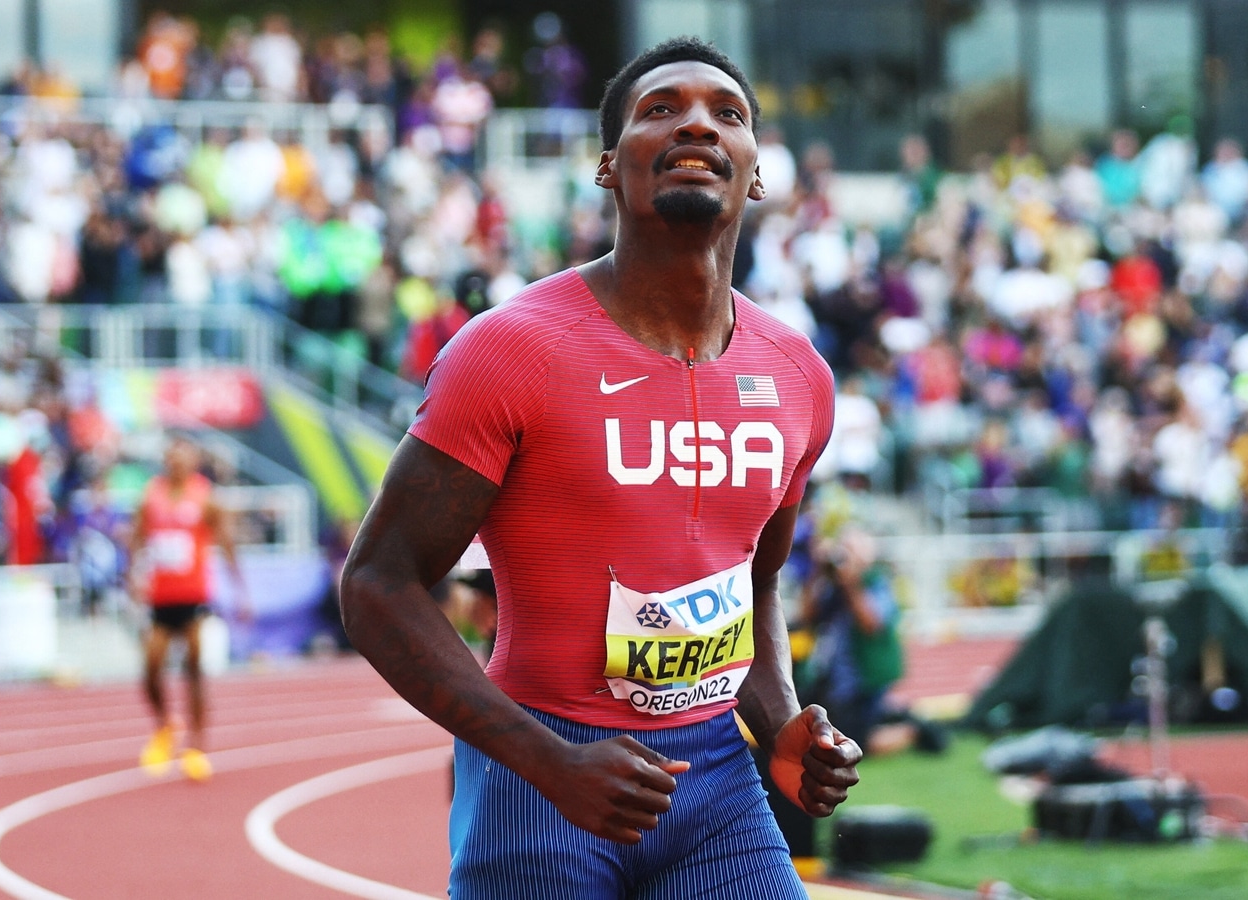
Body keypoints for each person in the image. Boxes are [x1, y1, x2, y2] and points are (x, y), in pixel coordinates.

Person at [342, 36, 862, 899]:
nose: (697, 123)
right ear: (609, 168)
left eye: (726, 114)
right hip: (538, 777)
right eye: (661, 109)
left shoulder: (799, 374)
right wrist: (546, 761)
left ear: (756, 174)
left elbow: (754, 583)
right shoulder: (511, 350)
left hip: (716, 791)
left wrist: (777, 722)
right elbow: (378, 583)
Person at [129, 436, 247, 782]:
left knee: (194, 668)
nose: (177, 463)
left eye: (184, 457)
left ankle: (196, 745)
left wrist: (240, 591)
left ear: (193, 461)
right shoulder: (151, 495)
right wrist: (132, 575)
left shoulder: (206, 497)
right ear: (166, 460)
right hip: (160, 597)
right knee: (150, 668)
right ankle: (165, 725)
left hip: (194, 596)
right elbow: (137, 539)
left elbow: (225, 543)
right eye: (172, 457)